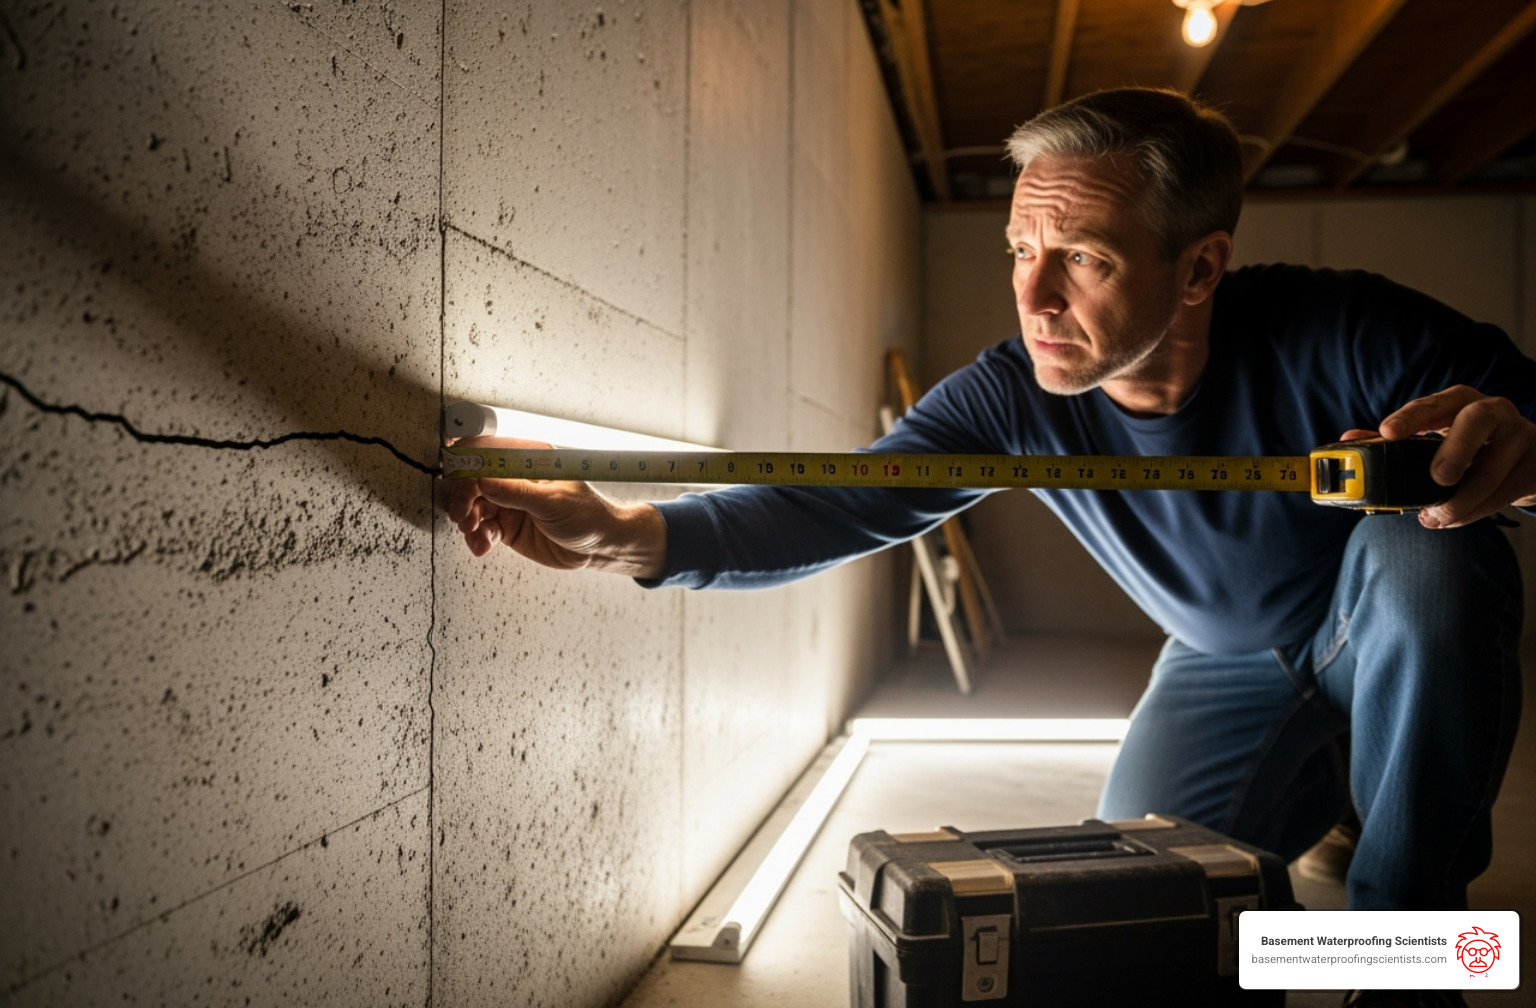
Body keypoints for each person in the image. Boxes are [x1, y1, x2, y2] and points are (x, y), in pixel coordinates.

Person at [447, 88, 1530, 1008]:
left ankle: (1412, 948)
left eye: (1085, 259)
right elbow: (836, 504)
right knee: (1135, 928)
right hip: (1221, 662)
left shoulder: (1345, 329)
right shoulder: (1013, 396)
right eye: (1021, 247)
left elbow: (1523, 419)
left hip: (1382, 617)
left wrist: (1524, 454)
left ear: (1200, 270)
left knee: (1430, 556)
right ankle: (1325, 859)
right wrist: (625, 535)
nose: (1033, 295)